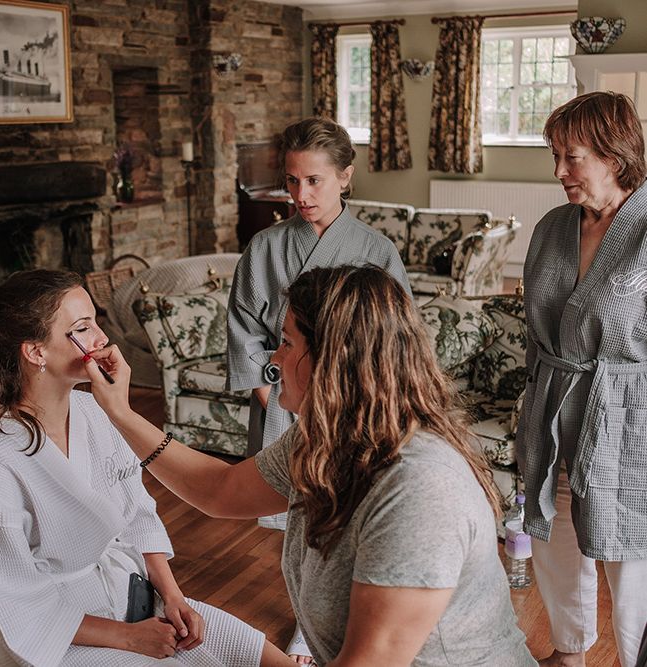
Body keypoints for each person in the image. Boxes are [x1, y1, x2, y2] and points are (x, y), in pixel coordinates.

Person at [86, 264, 536, 667]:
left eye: (285, 342)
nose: (274, 358)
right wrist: (121, 414)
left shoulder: (420, 489)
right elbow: (221, 490)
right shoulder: (325, 438)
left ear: (334, 360)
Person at [0, 269, 292, 667]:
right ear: (36, 352)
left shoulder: (95, 412)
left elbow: (138, 515)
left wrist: (173, 597)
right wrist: (129, 637)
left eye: (96, 322)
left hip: (133, 593)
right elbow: (17, 600)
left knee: (258, 656)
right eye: (83, 328)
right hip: (63, 631)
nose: (102, 339)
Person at [226, 117, 411, 526]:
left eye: (314, 180)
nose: (300, 195)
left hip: (355, 412)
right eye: (291, 181)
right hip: (279, 400)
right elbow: (244, 331)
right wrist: (273, 395)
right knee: (290, 524)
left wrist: (341, 406)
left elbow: (397, 345)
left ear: (345, 177)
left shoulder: (378, 252)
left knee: (350, 521)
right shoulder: (264, 247)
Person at [516, 91, 647, 667]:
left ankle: (635, 657)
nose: (559, 172)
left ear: (615, 156)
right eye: (556, 156)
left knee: (630, 553)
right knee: (556, 534)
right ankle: (570, 651)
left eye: (573, 157)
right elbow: (534, 327)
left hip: (628, 416)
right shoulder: (552, 227)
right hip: (552, 401)